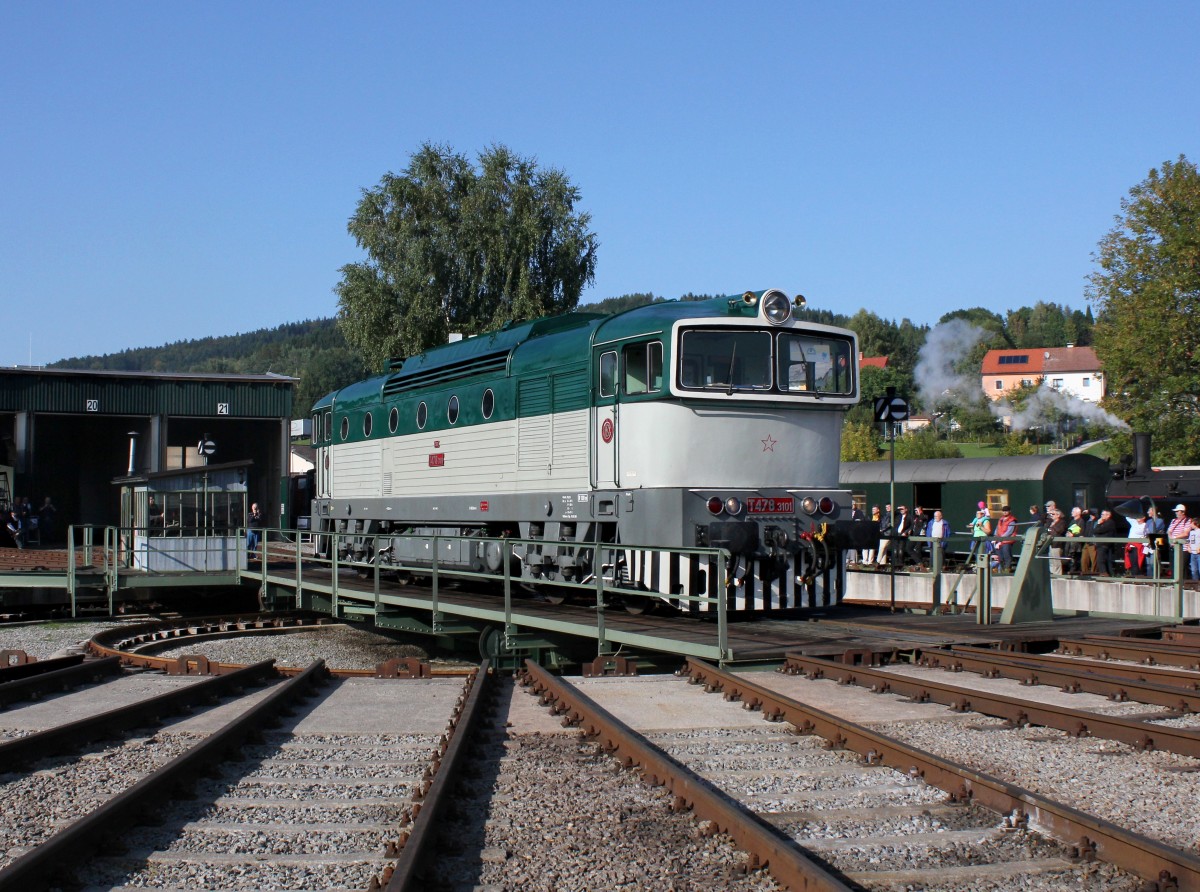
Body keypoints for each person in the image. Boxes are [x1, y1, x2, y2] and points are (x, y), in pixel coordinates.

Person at [1093, 508, 1118, 577]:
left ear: (1108, 515)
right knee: (1104, 559)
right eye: (1101, 514)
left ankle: (1104, 573)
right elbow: (1095, 531)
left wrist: (1098, 524)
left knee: (1100, 559)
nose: (1102, 516)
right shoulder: (1103, 523)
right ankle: (1106, 573)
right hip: (1101, 543)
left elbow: (1097, 531)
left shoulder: (1110, 522)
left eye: (1103, 514)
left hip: (1104, 544)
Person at [1168, 505, 1191, 575]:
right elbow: (1169, 531)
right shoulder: (1173, 520)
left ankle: (1182, 583)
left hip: (1183, 548)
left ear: (1183, 512)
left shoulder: (1188, 520)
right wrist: (1170, 538)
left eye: (1177, 511)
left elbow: (1186, 533)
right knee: (1173, 567)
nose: (1176, 513)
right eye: (1176, 511)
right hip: (1173, 547)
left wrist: (1175, 537)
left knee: (1182, 567)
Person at [1143, 505, 1166, 577]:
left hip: (1157, 541)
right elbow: (1145, 531)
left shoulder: (1160, 520)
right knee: (1148, 563)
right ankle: (1149, 578)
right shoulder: (1148, 521)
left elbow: (1153, 530)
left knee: (1154, 562)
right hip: (1148, 543)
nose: (1147, 512)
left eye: (1149, 511)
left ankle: (1156, 578)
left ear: (1153, 511)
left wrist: (1148, 534)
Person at [994, 506, 1017, 573]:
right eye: (1003, 511)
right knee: (1000, 556)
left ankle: (1007, 568)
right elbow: (997, 528)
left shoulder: (1012, 520)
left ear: (1009, 511)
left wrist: (1001, 538)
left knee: (1007, 554)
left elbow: (1009, 532)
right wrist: (995, 536)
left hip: (1007, 541)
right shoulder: (1001, 519)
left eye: (1006, 511)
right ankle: (1001, 568)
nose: (1004, 512)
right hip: (999, 540)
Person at [1046, 508, 1068, 575]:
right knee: (1051, 560)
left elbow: (1060, 530)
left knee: (1057, 561)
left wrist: (1052, 527)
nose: (1051, 515)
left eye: (1053, 514)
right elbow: (1047, 530)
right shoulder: (1050, 522)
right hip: (1050, 543)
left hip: (1057, 544)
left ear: (1058, 515)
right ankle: (1052, 573)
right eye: (1051, 514)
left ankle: (1058, 575)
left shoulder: (1062, 522)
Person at [1188, 517, 1200, 582]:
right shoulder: (1191, 532)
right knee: (1194, 570)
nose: (1190, 524)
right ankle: (1195, 583)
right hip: (1193, 553)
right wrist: (1189, 547)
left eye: (1191, 523)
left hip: (1198, 553)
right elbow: (1190, 541)